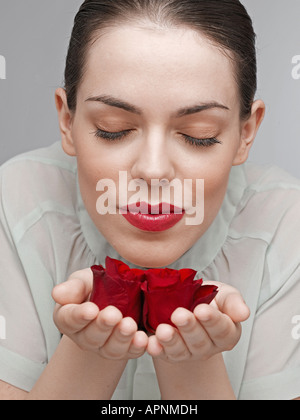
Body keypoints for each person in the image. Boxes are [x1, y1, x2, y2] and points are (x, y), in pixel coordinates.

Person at [0, 0, 299, 400]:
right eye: (114, 129)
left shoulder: (287, 226)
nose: (154, 171)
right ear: (67, 121)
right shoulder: (15, 199)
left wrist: (192, 363)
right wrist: (90, 352)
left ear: (246, 132)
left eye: (199, 134)